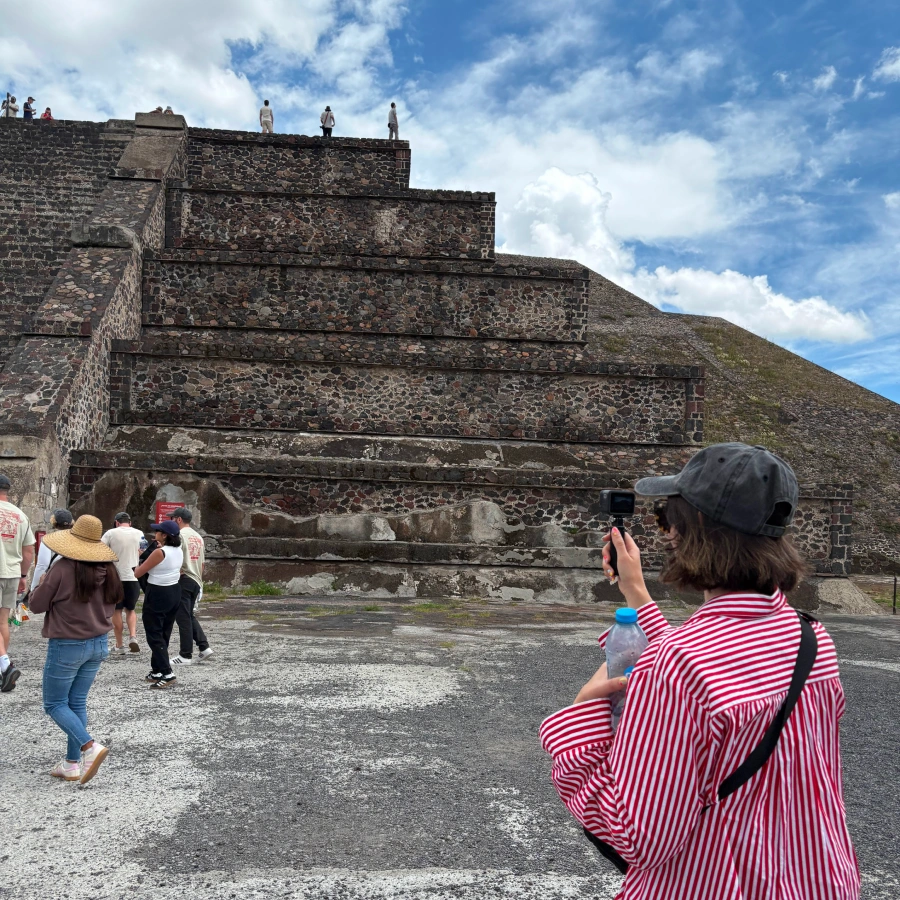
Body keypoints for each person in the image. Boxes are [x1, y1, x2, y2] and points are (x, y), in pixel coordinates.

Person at [539, 443, 860, 899]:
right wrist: (636, 592)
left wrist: (578, 721)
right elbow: (717, 660)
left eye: (666, 520)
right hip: (814, 879)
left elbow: (636, 836)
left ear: (693, 529)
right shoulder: (810, 638)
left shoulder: (677, 665)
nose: (666, 533)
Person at [28, 515, 122, 784]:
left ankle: (89, 747)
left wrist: (43, 580)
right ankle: (71, 764)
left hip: (68, 644)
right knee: (76, 702)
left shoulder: (63, 568)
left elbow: (36, 605)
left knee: (55, 703)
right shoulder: (109, 569)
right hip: (98, 643)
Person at [134, 520, 183, 689]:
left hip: (158, 592)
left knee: (154, 633)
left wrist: (141, 556)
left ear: (164, 535)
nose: (154, 534)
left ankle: (167, 672)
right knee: (164, 631)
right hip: (174, 591)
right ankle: (156, 670)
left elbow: (138, 572)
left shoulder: (159, 552)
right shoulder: (178, 550)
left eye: (157, 532)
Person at [0, 473, 36, 693]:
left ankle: (5, 665)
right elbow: (29, 550)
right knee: (2, 621)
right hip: (12, 573)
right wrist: (23, 575)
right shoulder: (20, 515)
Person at [166, 508, 212, 666]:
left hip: (184, 578)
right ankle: (204, 646)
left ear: (178, 519)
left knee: (183, 618)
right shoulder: (198, 537)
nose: (171, 521)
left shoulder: (178, 536)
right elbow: (203, 563)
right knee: (189, 615)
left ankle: (185, 655)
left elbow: (176, 559)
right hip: (195, 579)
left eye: (172, 519)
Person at [102, 512, 143, 654]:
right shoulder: (139, 533)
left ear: (117, 522)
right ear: (129, 522)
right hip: (133, 577)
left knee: (116, 610)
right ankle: (133, 637)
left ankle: (120, 645)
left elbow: (100, 551)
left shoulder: (111, 533)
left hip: (115, 578)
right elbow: (143, 550)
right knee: (131, 610)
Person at [30, 509, 73, 588]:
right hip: (71, 583)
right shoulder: (76, 540)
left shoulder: (48, 539)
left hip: (54, 581)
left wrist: (34, 588)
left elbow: (42, 566)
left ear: (53, 521)